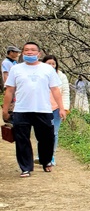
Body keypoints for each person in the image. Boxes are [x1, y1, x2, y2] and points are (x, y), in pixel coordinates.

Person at [2, 42, 62, 177]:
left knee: (46, 138)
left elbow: (55, 90)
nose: (29, 52)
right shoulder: (16, 69)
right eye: (26, 50)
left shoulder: (47, 69)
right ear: (22, 53)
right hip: (22, 110)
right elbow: (10, 90)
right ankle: (25, 167)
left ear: (38, 54)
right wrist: (5, 110)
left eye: (33, 50)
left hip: (44, 110)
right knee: (22, 139)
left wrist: (62, 108)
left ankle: (46, 161)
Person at [42, 55, 70, 165]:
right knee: (42, 133)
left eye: (53, 63)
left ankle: (51, 156)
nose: (51, 66)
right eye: (49, 63)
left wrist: (65, 108)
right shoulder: (39, 76)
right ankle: (42, 155)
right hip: (42, 108)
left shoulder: (61, 76)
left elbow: (65, 92)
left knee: (54, 133)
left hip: (57, 108)